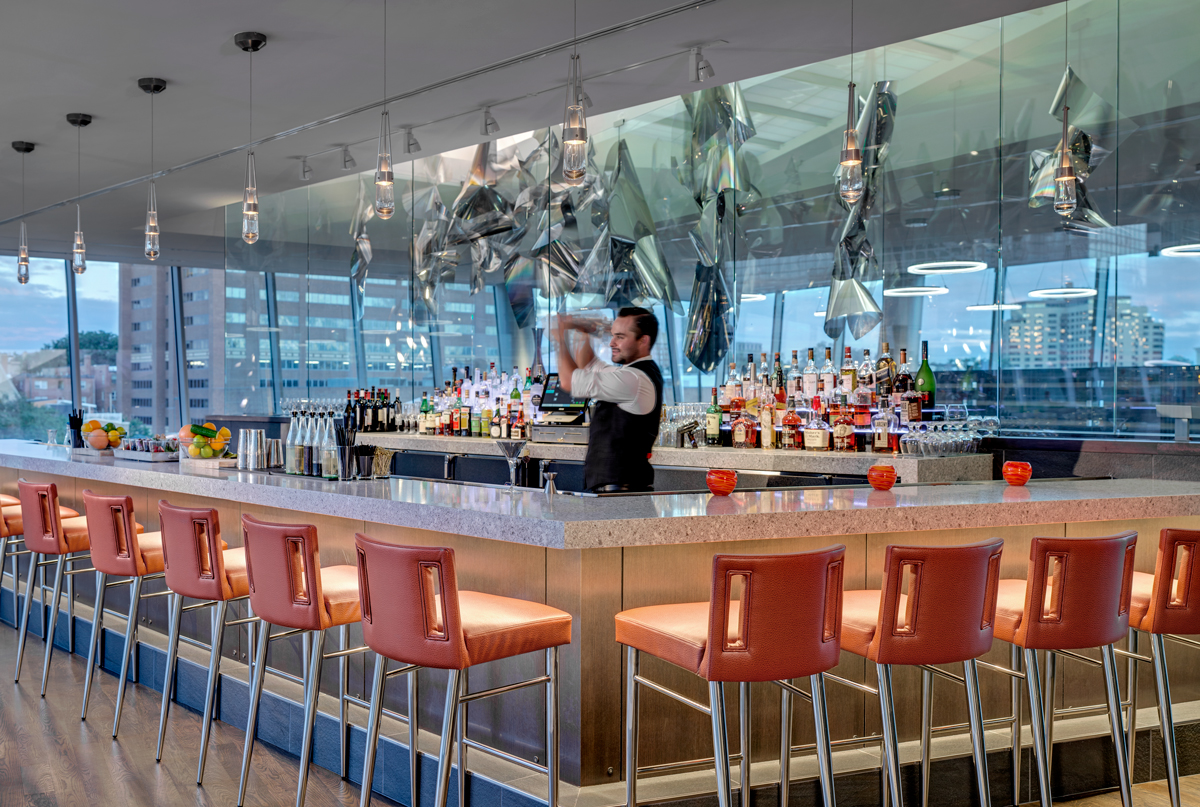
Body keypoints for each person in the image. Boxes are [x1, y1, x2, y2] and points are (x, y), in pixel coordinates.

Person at [555, 307, 663, 493]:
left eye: (620, 337)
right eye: (613, 335)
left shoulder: (633, 380)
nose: (612, 342)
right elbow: (589, 365)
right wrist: (585, 331)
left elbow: (568, 380)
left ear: (643, 340)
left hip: (621, 495)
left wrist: (559, 339)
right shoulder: (630, 374)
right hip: (615, 492)